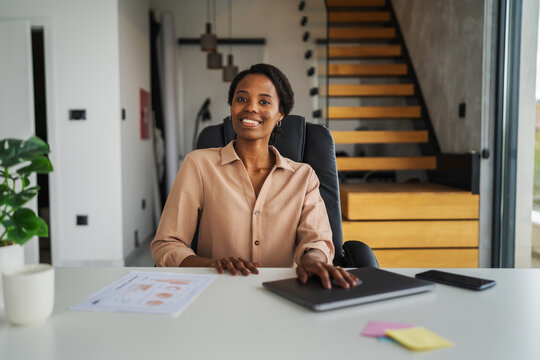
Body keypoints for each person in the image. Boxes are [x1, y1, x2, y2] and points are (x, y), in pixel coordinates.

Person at [151, 63, 358, 289]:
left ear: (281, 114)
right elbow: (167, 244)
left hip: (288, 293)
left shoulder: (303, 176)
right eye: (241, 99)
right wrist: (212, 265)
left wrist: (312, 261)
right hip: (218, 291)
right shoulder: (199, 164)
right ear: (231, 107)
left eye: (264, 101)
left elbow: (316, 241)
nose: (251, 108)